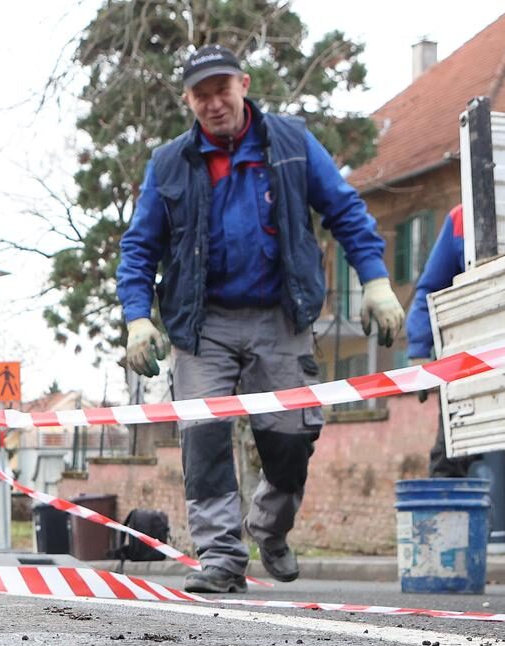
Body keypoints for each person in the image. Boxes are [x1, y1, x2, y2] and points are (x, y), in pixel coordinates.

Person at [117, 44, 404, 594]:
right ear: (188, 100)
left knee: (291, 439)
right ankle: (221, 558)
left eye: (222, 89)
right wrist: (136, 317)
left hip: (281, 315)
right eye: (201, 95)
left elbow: (344, 209)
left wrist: (374, 281)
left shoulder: (291, 143)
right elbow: (138, 249)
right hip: (203, 324)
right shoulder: (169, 163)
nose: (214, 103)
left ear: (244, 85)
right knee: (202, 437)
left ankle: (269, 527)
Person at [408, 205, 505, 591]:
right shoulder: (461, 217)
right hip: (468, 362)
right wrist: (421, 350)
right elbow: (431, 286)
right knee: (449, 462)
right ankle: (443, 563)